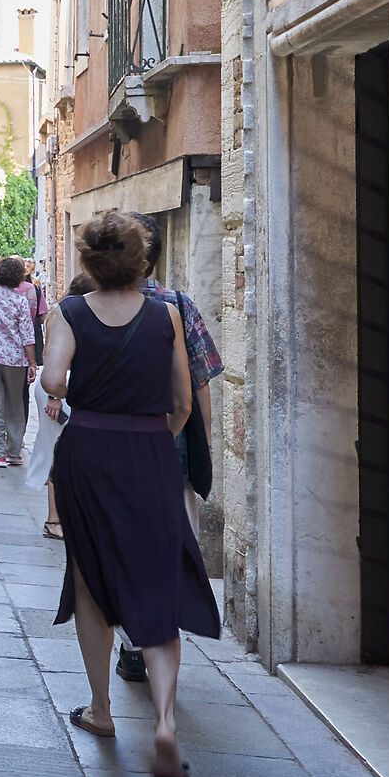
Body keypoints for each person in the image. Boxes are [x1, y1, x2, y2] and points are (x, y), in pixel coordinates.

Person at [39, 211, 220, 777]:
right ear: (141, 259)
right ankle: (164, 721)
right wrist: (152, 439)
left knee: (90, 580)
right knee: (156, 577)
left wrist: (85, 395)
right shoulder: (167, 315)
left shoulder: (67, 312)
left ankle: (101, 710)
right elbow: (184, 402)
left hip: (88, 450)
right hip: (150, 452)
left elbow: (49, 380)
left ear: (89, 261)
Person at [110, 211, 227, 684]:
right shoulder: (180, 304)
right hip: (169, 447)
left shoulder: (92, 303)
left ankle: (131, 642)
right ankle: (153, 634)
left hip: (113, 449)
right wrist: (205, 443)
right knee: (170, 545)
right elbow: (200, 385)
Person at [41, 273, 96, 540]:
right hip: (61, 389)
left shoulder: (79, 312)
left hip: (72, 389)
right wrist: (55, 397)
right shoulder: (64, 313)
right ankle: (54, 518)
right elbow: (49, 356)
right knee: (58, 452)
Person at [0, 256, 40, 468]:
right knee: (15, 404)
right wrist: (32, 363)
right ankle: (13, 451)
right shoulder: (20, 300)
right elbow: (27, 336)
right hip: (15, 359)